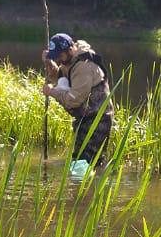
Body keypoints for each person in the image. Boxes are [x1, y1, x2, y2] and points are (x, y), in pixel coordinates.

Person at [42, 33, 114, 165]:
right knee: (79, 159)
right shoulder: (70, 60)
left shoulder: (83, 66)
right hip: (85, 117)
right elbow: (61, 80)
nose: (59, 59)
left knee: (88, 161)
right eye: (55, 56)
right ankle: (80, 184)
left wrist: (51, 92)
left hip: (98, 119)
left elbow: (74, 100)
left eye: (60, 56)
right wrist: (49, 63)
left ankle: (94, 182)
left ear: (70, 49)